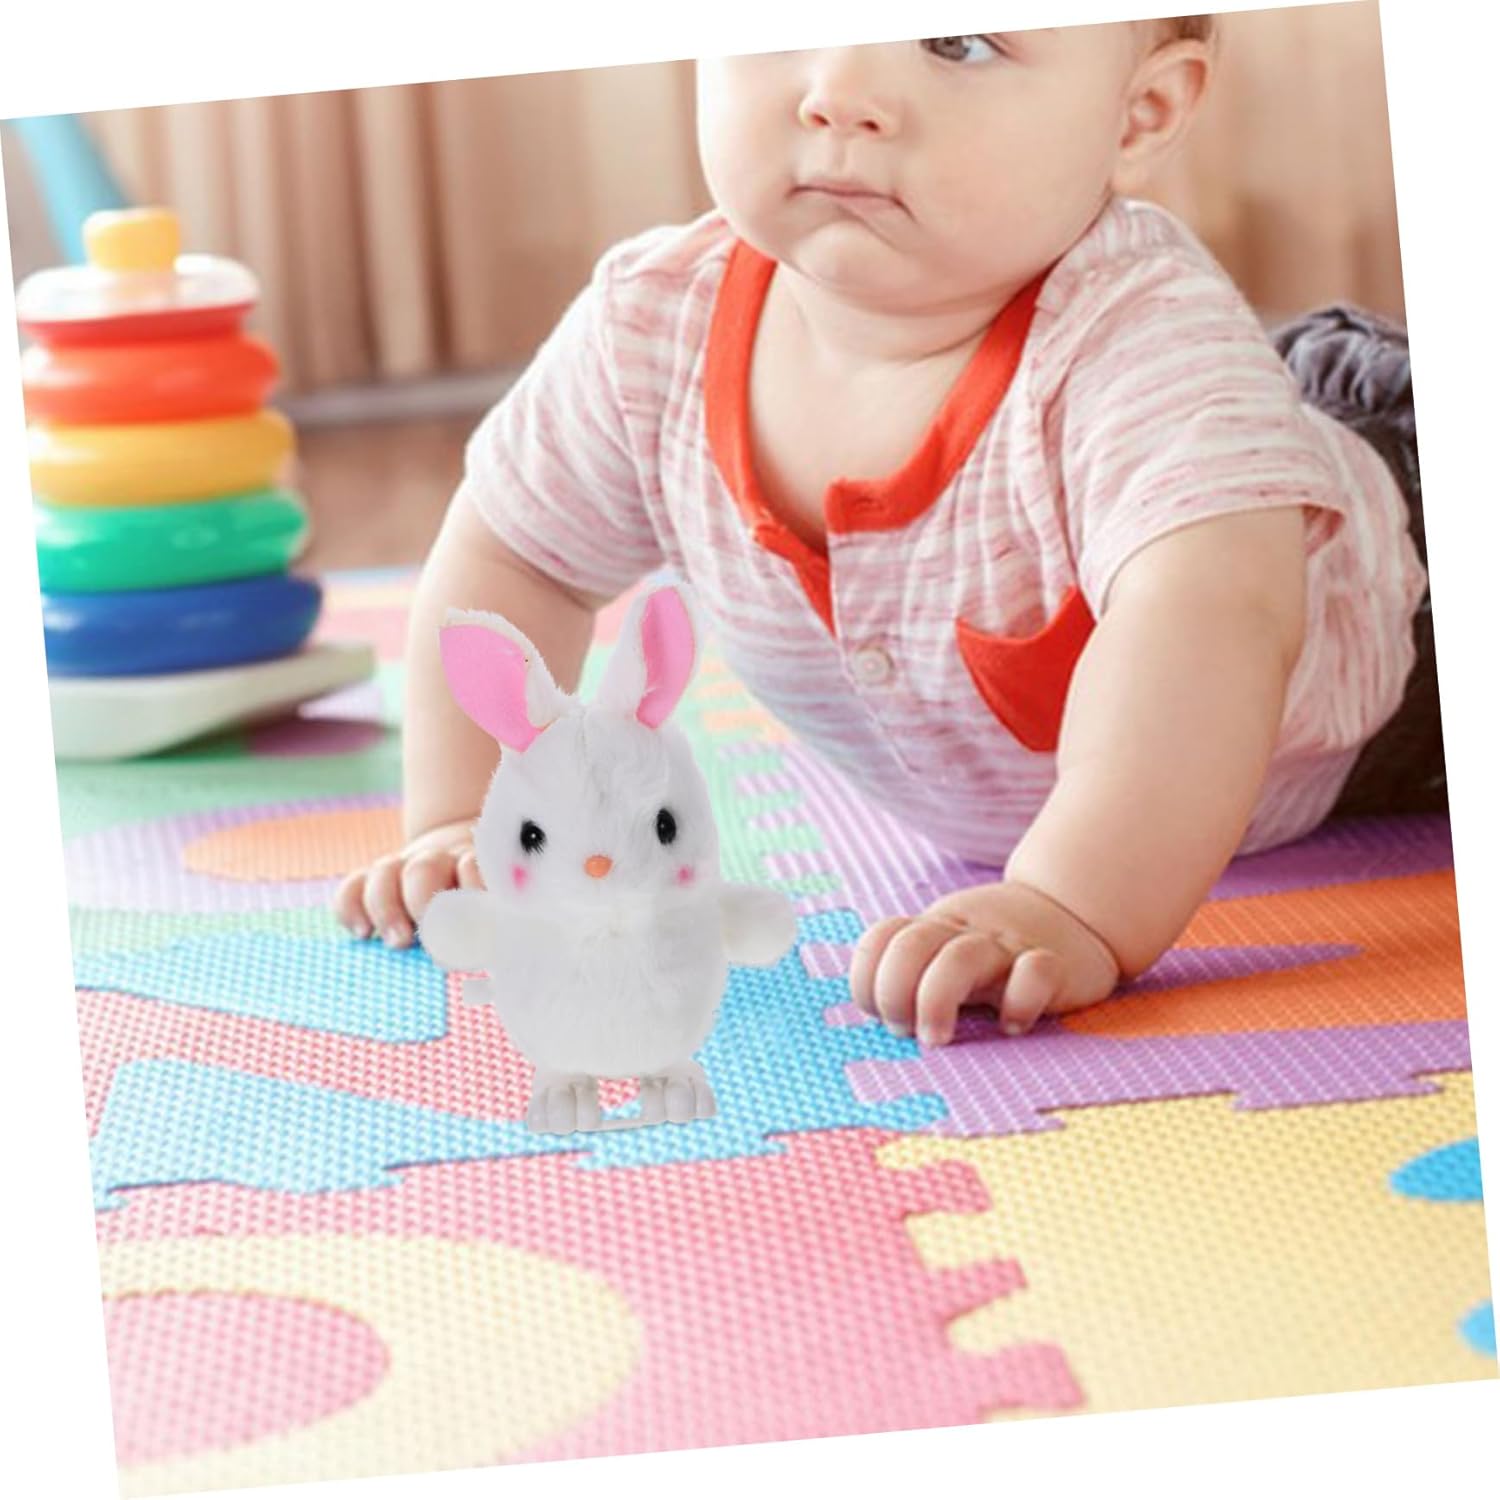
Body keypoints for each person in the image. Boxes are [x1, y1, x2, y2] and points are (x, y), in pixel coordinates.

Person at [335, 18, 1439, 1049]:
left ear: (1139, 114)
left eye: (956, 42)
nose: (841, 93)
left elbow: (1213, 619)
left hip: (1418, 627)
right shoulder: (649, 332)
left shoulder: (1139, 343)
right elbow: (514, 559)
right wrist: (468, 817)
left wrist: (1068, 903)